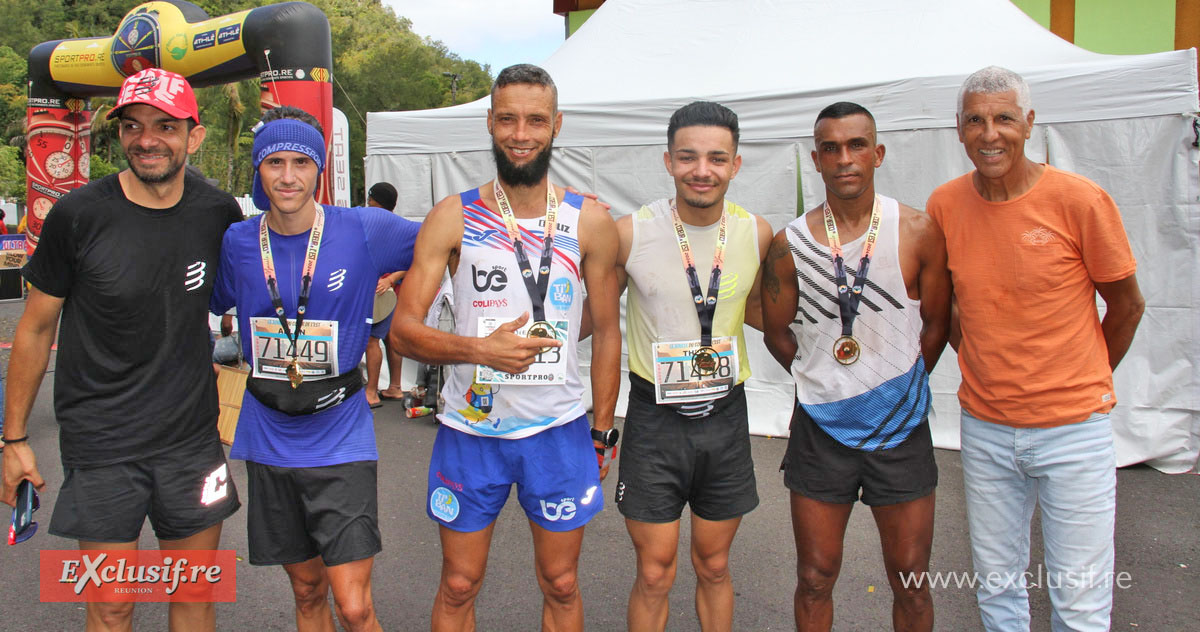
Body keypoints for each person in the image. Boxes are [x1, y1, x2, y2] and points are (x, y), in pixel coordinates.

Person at [0, 68, 242, 631]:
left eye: (165, 126)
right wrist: (13, 439)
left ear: (194, 135)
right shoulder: (79, 216)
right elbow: (35, 330)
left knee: (194, 596)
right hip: (104, 443)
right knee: (111, 605)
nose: (147, 139)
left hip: (191, 443)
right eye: (132, 125)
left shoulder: (217, 214)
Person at [390, 63, 621, 632]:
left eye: (536, 120)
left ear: (556, 125)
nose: (522, 133)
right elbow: (402, 330)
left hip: (559, 429)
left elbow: (610, 329)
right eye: (509, 119)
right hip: (471, 431)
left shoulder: (589, 220)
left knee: (562, 583)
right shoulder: (453, 215)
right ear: (490, 123)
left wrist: (603, 427)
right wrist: (479, 351)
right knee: (460, 582)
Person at [926, 66, 1144, 631]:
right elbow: (949, 306)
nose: (990, 133)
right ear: (958, 130)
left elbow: (1127, 305)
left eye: (1003, 118)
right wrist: (980, 361)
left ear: (1028, 122)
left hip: (1074, 429)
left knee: (1079, 599)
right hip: (986, 429)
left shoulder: (1079, 201)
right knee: (997, 589)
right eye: (976, 120)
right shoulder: (945, 206)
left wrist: (1085, 376)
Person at [210, 106, 420, 632]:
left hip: (340, 439)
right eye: (274, 162)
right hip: (267, 437)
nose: (287, 176)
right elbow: (199, 295)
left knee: (354, 607)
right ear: (258, 171)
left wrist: (408, 294)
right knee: (306, 593)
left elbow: (452, 231)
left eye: (301, 162)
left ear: (318, 170)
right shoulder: (238, 241)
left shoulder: (363, 228)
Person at [761, 102, 951, 631]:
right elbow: (778, 333)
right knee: (816, 575)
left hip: (902, 429)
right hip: (821, 430)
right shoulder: (788, 244)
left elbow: (937, 324)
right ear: (816, 159)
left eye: (856, 145)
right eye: (831, 148)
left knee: (911, 578)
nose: (844, 159)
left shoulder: (917, 230)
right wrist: (828, 379)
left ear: (878, 153)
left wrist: (899, 388)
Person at [601, 101, 770, 632]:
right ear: (668, 161)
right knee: (654, 573)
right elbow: (602, 330)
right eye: (688, 157)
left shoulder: (758, 234)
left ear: (736, 164)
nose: (703, 170)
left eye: (717, 158)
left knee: (715, 566)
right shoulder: (628, 232)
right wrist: (602, 426)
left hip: (725, 416)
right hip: (654, 419)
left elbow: (771, 315)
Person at [362, 182, 407, 407]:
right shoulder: (396, 226)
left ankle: (370, 392)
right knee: (390, 340)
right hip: (389, 290)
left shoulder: (377, 226)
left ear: (374, 201)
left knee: (372, 341)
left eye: (370, 199)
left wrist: (389, 279)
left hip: (382, 292)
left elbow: (412, 259)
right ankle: (395, 387)